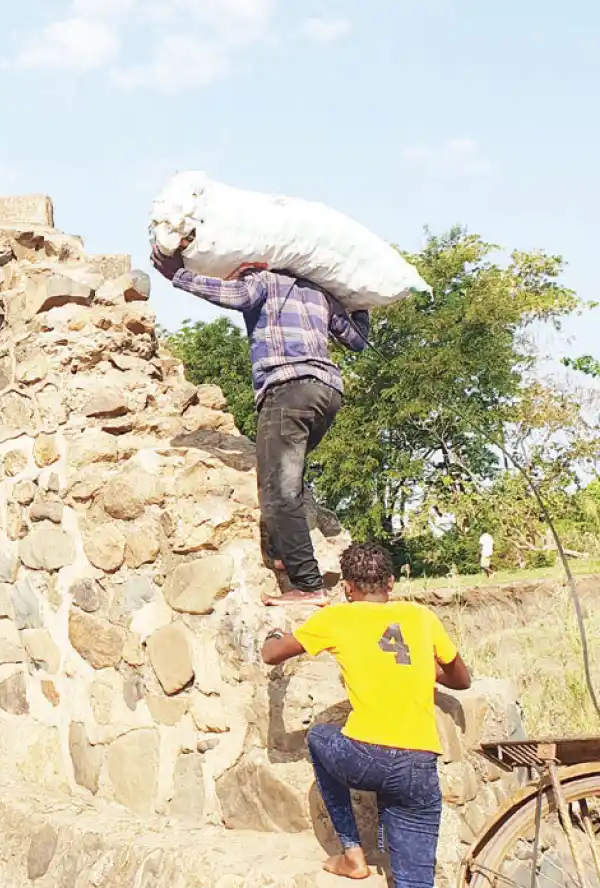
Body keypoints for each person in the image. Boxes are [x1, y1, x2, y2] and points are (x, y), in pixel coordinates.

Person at [151, 248, 370, 604]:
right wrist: (361, 305)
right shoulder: (321, 294)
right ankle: (285, 548)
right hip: (327, 393)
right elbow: (357, 340)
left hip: (289, 389)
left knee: (277, 491)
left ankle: (307, 584)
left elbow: (236, 295)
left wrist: (179, 275)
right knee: (288, 476)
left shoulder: (266, 282)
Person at [260, 542, 472, 888]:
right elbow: (462, 681)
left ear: (346, 588)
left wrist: (274, 634)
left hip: (364, 758)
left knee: (319, 737)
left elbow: (272, 655)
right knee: (415, 880)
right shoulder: (422, 617)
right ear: (390, 583)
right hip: (418, 763)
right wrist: (425, 671)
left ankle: (352, 854)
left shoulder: (335, 617)